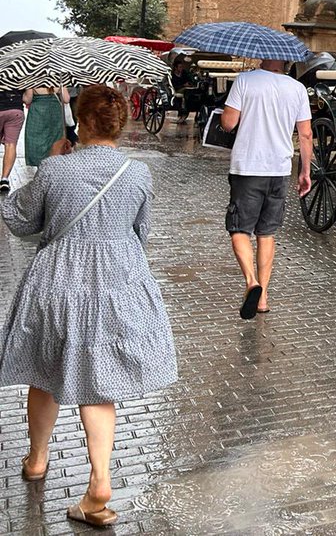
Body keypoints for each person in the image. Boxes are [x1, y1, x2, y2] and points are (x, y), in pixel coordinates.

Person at [0, 85, 177, 527]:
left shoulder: (56, 168)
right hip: (117, 281)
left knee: (43, 370)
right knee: (99, 384)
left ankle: (37, 459)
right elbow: (141, 232)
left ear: (81, 121)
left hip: (57, 281)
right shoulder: (137, 173)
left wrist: (52, 161)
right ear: (119, 125)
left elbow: (21, 221)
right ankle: (99, 481)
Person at [221, 58, 313, 320]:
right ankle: (263, 299)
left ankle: (251, 282)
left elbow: (228, 123)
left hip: (248, 168)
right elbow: (306, 134)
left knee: (239, 229)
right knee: (267, 233)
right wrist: (305, 171)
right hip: (279, 169)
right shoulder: (297, 88)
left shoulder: (244, 81)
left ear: (263, 55)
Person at [21, 86, 69, 168]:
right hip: (55, 110)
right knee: (55, 137)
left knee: (36, 138)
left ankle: (39, 164)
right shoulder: (57, 80)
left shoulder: (34, 81)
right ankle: (53, 162)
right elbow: (66, 99)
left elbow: (27, 99)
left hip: (37, 110)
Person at [0, 87, 24, 192]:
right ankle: (4, 180)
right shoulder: (20, 76)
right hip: (15, 110)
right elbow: (27, 98)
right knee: (10, 145)